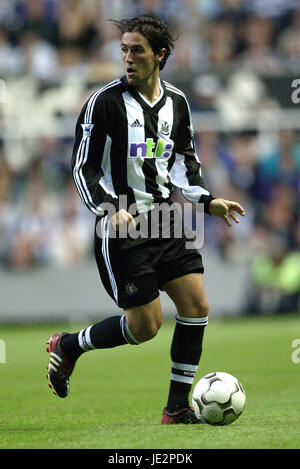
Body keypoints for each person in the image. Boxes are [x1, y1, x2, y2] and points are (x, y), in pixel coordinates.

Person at [45, 15, 245, 424]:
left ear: (160, 55)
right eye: (123, 50)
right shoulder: (104, 102)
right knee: (145, 327)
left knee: (196, 304)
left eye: (137, 50)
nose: (128, 58)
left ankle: (176, 408)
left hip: (167, 219)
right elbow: (83, 168)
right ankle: (69, 345)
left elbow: (184, 162)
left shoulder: (178, 103)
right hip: (124, 224)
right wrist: (107, 207)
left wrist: (209, 201)